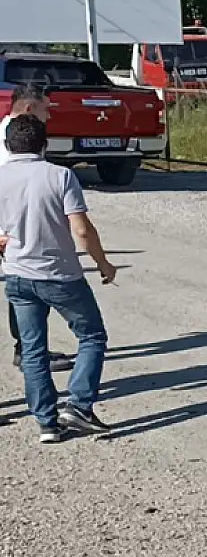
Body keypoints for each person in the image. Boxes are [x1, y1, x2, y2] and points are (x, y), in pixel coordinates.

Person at [0, 115, 118, 442]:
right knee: (92, 335)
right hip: (59, 274)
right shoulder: (60, 176)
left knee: (33, 349)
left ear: (9, 144)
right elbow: (81, 229)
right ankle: (79, 404)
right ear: (45, 143)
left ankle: (46, 423)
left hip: (17, 274)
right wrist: (103, 264)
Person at [2, 89, 74, 373]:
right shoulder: (9, 139)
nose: (50, 114)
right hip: (8, 230)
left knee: (21, 288)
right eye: (46, 109)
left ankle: (29, 347)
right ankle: (27, 349)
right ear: (30, 108)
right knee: (23, 287)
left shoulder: (17, 134)